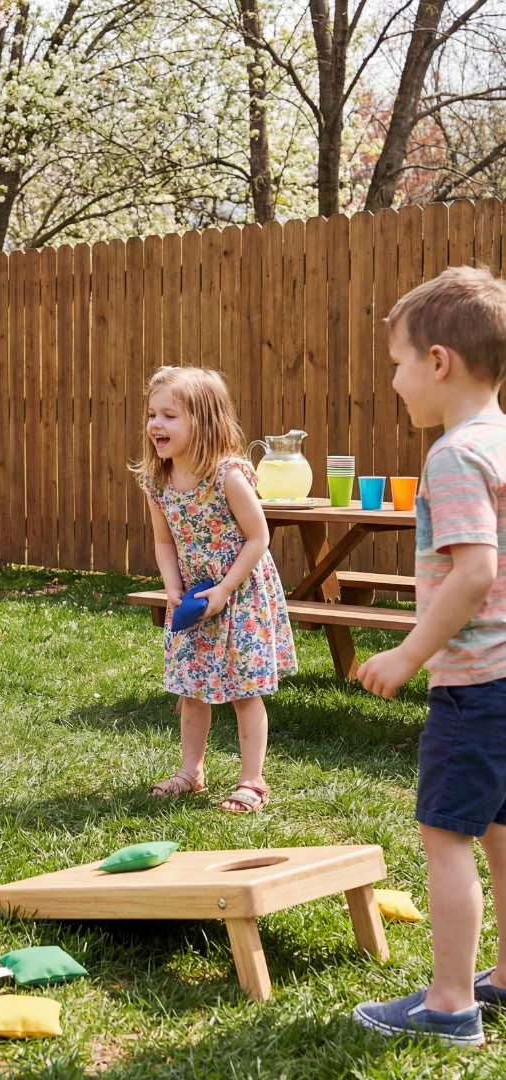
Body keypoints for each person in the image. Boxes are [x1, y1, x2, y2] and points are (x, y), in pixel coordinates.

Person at [353, 266, 506, 1049]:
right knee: (503, 833)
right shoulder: (503, 441)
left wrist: (411, 652)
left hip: (476, 685)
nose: (394, 380)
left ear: (439, 362)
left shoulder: (453, 456)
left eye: (398, 363)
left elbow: (475, 569)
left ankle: (450, 1004)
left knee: (445, 836)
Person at [132, 365, 295, 812]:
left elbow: (259, 538)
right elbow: (164, 540)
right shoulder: (157, 480)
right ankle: (191, 771)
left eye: (169, 415)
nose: (155, 425)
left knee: (245, 691)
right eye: (152, 414)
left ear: (203, 422)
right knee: (191, 688)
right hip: (192, 596)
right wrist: (172, 587)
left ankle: (252, 780)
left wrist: (224, 588)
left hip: (239, 594)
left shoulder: (228, 477)